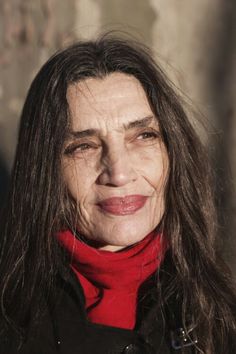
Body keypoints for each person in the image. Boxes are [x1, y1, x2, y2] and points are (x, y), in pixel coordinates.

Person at [0, 33, 235, 354]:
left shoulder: (220, 312)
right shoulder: (11, 323)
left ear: (173, 150)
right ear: (45, 170)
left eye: (144, 136)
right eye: (83, 146)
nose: (119, 173)